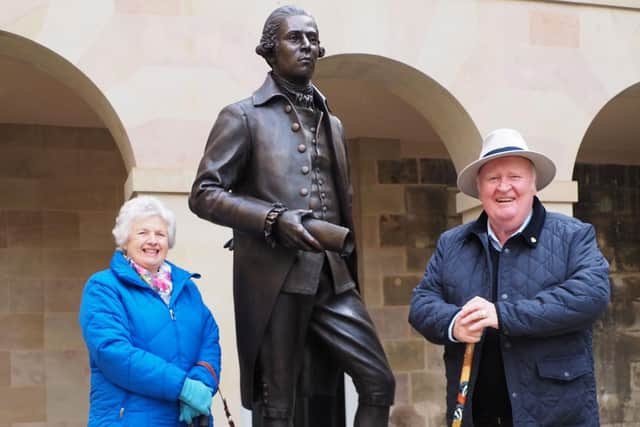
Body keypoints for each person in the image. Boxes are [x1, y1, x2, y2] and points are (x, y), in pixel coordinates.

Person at [189, 5, 395, 427]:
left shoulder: (332, 123)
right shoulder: (242, 116)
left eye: (312, 38)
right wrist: (272, 219)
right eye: (294, 38)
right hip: (276, 278)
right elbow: (204, 194)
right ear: (270, 50)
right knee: (277, 403)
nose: (307, 47)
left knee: (378, 382)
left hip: (333, 277)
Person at [409, 128, 610, 427]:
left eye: (515, 177)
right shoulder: (452, 244)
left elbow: (590, 296)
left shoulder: (573, 235)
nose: (504, 187)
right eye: (493, 178)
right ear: (480, 188)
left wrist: (502, 315)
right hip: (477, 414)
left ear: (533, 185)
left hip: (557, 415)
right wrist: (454, 322)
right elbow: (421, 304)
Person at [79, 196, 221, 427]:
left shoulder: (187, 288)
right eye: (143, 233)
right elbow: (112, 351)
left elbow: (209, 339)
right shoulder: (104, 287)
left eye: (160, 234)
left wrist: (201, 384)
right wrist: (182, 387)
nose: (152, 241)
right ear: (125, 240)